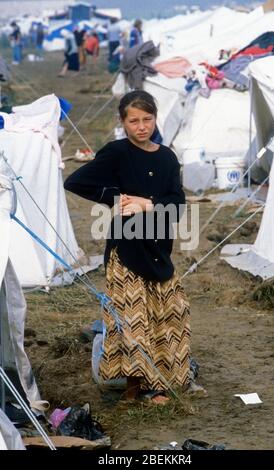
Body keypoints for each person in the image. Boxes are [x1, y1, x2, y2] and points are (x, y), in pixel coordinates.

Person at [64, 90, 191, 404]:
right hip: (125, 247)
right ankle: (134, 389)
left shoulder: (167, 157)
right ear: (123, 123)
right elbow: (76, 181)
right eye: (134, 120)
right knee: (131, 319)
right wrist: (117, 199)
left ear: (155, 119)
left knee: (167, 313)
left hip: (158, 247)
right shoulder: (116, 152)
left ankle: (160, 384)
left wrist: (148, 204)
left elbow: (177, 204)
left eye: (147, 119)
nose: (141, 126)